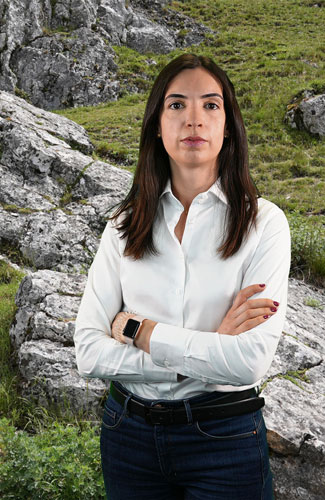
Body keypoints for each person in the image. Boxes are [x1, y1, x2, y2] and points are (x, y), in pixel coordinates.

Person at [74, 53, 290, 500]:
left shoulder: (264, 224)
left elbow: (248, 362)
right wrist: (207, 347)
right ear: (157, 124)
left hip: (225, 438)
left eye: (211, 105)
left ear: (228, 126)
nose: (194, 118)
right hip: (128, 435)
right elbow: (89, 351)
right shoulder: (123, 225)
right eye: (177, 105)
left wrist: (139, 329)